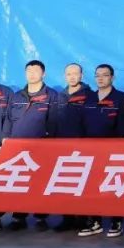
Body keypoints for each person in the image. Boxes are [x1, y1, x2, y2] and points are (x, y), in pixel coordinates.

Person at [7, 60, 61, 231]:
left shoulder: (51, 95)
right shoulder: (16, 96)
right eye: (29, 71)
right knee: (20, 181)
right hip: (18, 148)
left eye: (36, 71)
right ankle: (18, 216)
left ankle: (40, 217)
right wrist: (6, 139)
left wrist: (50, 143)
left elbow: (54, 121)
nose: (32, 74)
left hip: (41, 147)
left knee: (40, 181)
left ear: (43, 74)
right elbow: (8, 119)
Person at [79, 64, 124, 238]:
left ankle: (116, 221)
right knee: (92, 186)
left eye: (105, 75)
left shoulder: (120, 97)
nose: (101, 78)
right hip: (91, 150)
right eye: (98, 75)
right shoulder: (89, 98)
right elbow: (82, 123)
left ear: (112, 78)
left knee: (113, 185)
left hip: (114, 150)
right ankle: (95, 221)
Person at [53, 63, 93, 233]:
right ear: (65, 76)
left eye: (75, 73)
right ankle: (67, 218)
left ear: (81, 76)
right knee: (64, 183)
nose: (72, 77)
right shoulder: (59, 96)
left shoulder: (90, 95)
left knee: (83, 183)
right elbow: (53, 120)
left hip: (83, 146)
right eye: (69, 74)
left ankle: (83, 218)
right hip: (62, 147)